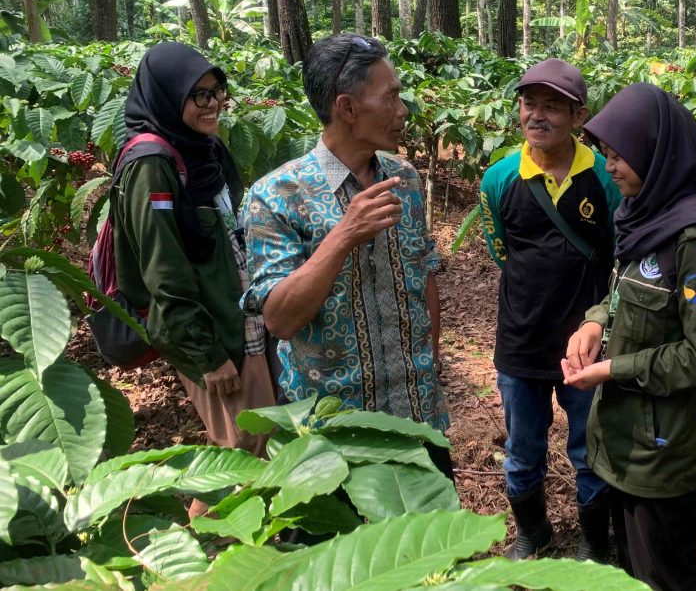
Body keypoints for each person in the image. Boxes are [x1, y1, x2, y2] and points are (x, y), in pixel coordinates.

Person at [563, 83, 696, 591]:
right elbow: (623, 292)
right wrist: (594, 322)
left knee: (665, 573)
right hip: (630, 440)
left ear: (657, 153)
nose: (609, 167)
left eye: (620, 156)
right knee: (634, 571)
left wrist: (612, 369)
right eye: (606, 154)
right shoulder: (642, 217)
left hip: (666, 451)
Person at [241, 34, 453, 477]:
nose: (402, 111)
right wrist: (343, 235)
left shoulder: (405, 180)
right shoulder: (276, 196)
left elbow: (425, 273)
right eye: (391, 97)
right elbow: (279, 319)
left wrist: (429, 362)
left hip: (418, 420)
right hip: (332, 439)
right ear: (347, 107)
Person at [111, 43, 276, 508]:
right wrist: (205, 356)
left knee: (258, 443)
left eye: (218, 91)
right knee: (241, 455)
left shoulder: (205, 149)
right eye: (199, 95)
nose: (214, 104)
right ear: (167, 96)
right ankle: (206, 558)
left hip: (241, 317)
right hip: (212, 335)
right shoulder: (151, 166)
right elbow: (163, 272)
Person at [478, 59, 622, 561]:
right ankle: (532, 532)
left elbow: (618, 255)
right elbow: (502, 250)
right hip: (521, 337)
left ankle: (593, 542)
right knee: (522, 449)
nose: (536, 116)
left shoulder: (605, 176)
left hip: (586, 340)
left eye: (552, 106)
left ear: (578, 115)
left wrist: (598, 320)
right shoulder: (498, 180)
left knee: (588, 448)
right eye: (529, 103)